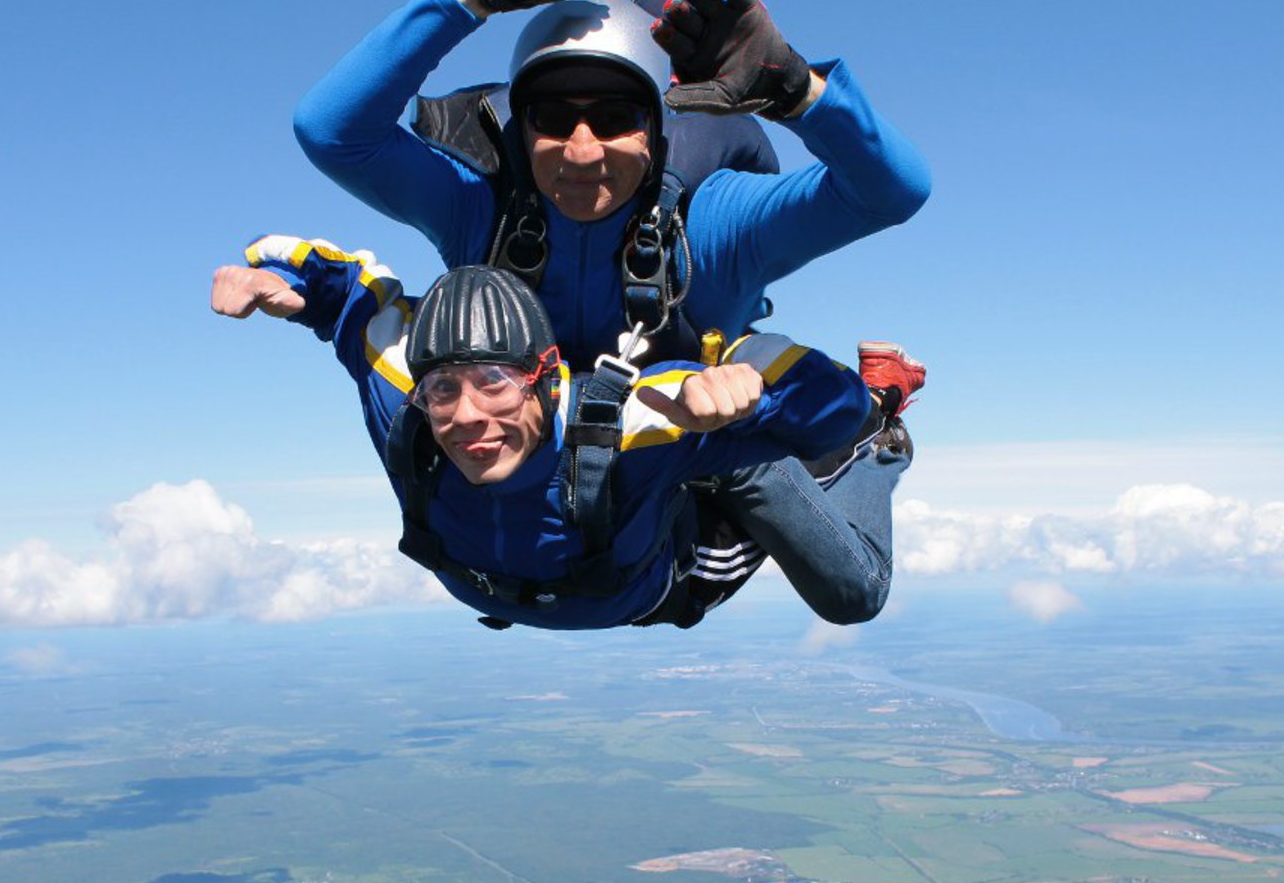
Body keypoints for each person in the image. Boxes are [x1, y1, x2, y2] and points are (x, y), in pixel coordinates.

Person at [293, 0, 931, 365]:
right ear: (519, 131)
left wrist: (798, 90)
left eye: (615, 118)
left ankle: (882, 396)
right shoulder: (481, 210)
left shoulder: (712, 228)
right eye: (550, 118)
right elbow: (330, 130)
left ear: (656, 134)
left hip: (693, 459)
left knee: (775, 496)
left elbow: (892, 192)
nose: (581, 149)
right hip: (544, 466)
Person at [209, 236, 917, 631]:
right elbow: (352, 294)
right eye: (445, 388)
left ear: (548, 378)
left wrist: (752, 381)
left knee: (851, 592)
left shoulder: (645, 420)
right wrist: (273, 278)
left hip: (669, 551)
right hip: (540, 568)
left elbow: (828, 409)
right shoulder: (406, 405)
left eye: (494, 383)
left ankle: (889, 423)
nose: (465, 416)